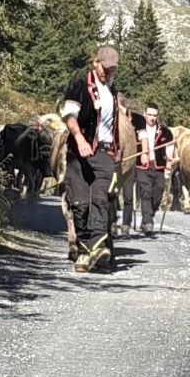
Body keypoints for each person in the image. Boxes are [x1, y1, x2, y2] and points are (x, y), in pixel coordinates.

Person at [60, 45, 131, 273]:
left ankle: (98, 247)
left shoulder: (112, 90)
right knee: (80, 204)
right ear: (95, 62)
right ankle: (84, 251)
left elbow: (113, 124)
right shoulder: (79, 85)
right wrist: (79, 138)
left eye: (112, 70)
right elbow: (69, 115)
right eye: (105, 68)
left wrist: (116, 148)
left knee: (101, 199)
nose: (107, 73)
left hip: (104, 153)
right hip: (79, 153)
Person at [132, 106, 175, 235]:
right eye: (150, 115)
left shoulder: (166, 132)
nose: (152, 118)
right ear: (144, 114)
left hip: (158, 167)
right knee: (146, 193)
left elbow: (169, 150)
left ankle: (147, 217)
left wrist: (171, 159)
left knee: (158, 194)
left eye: (154, 115)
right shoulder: (138, 129)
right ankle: (148, 222)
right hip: (143, 166)